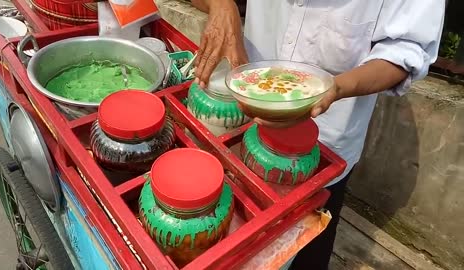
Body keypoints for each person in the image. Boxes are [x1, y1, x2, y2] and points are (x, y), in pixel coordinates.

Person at [190, 0, 445, 269]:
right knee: (241, 239)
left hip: (326, 143)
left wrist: (335, 88)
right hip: (249, 120)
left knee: (307, 244)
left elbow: (406, 50)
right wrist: (222, 6)